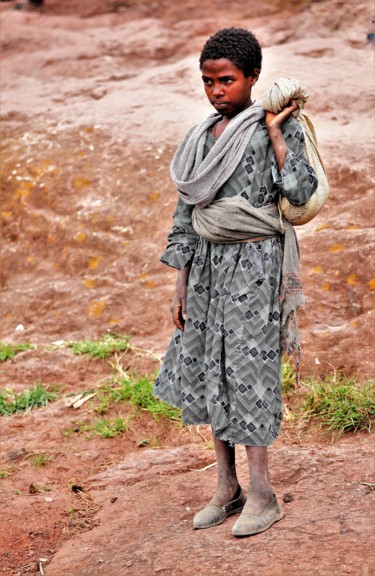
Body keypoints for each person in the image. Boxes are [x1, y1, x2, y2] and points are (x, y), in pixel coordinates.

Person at [153, 27, 318, 537]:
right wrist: (180, 281)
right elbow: (188, 211)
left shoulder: (276, 127)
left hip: (256, 264)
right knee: (208, 368)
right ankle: (226, 488)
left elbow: (300, 193)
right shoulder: (200, 137)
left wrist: (274, 136)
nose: (216, 91)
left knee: (249, 371)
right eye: (207, 81)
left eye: (226, 80)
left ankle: (264, 494)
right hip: (204, 268)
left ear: (252, 77)